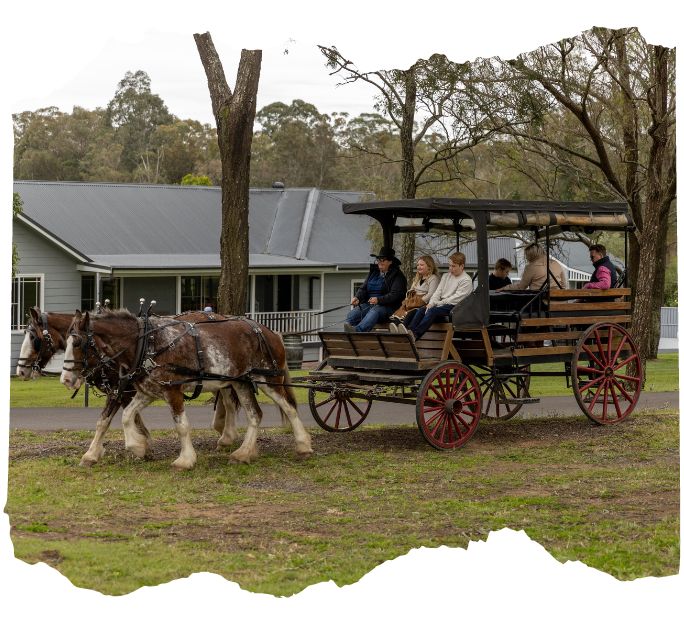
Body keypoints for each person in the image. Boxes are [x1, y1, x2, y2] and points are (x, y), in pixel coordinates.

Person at [399, 252, 472, 341]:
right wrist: (432, 303)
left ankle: (415, 334)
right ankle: (408, 332)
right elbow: (438, 292)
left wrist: (435, 304)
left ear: (462, 266)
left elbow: (454, 299)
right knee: (422, 309)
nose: (450, 269)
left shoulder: (466, 280)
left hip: (455, 308)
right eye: (449, 266)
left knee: (432, 310)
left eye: (453, 266)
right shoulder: (446, 276)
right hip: (442, 304)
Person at [344, 246, 408, 333]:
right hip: (370, 304)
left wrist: (378, 300)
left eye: (383, 260)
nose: (380, 263)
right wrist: (358, 297)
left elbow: (395, 295)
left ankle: (358, 332)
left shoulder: (398, 276)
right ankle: (348, 337)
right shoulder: (373, 272)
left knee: (375, 311)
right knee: (352, 315)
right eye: (378, 260)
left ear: (390, 262)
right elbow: (364, 288)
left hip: (389, 308)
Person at [389, 255, 440, 328]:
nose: (419, 267)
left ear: (429, 266)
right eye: (418, 265)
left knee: (410, 314)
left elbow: (431, 294)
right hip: (413, 302)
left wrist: (419, 301)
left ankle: (404, 332)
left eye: (421, 265)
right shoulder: (417, 278)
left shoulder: (433, 278)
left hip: (423, 303)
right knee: (400, 313)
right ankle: (396, 332)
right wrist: (408, 299)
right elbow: (411, 290)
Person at [497, 244, 566, 291]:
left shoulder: (531, 267)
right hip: (560, 301)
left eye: (526, 255)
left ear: (531, 255)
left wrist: (505, 288)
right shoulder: (555, 263)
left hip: (541, 302)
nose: (526, 257)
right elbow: (563, 284)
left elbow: (521, 287)